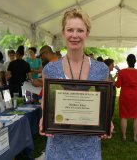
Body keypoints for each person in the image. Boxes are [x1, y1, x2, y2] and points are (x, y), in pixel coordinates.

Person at [39, 8, 110, 160]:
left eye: (80, 30)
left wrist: (107, 122)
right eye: (70, 30)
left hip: (89, 149)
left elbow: (103, 105)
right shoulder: (50, 69)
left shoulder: (101, 69)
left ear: (87, 33)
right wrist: (44, 118)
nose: (75, 35)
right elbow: (46, 101)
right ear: (63, 32)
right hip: (58, 147)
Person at [115, 54, 137, 142]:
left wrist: (117, 76)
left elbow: (117, 85)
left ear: (127, 61)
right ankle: (135, 137)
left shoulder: (122, 72)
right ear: (135, 62)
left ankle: (124, 136)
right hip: (136, 95)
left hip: (125, 95)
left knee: (124, 116)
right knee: (136, 116)